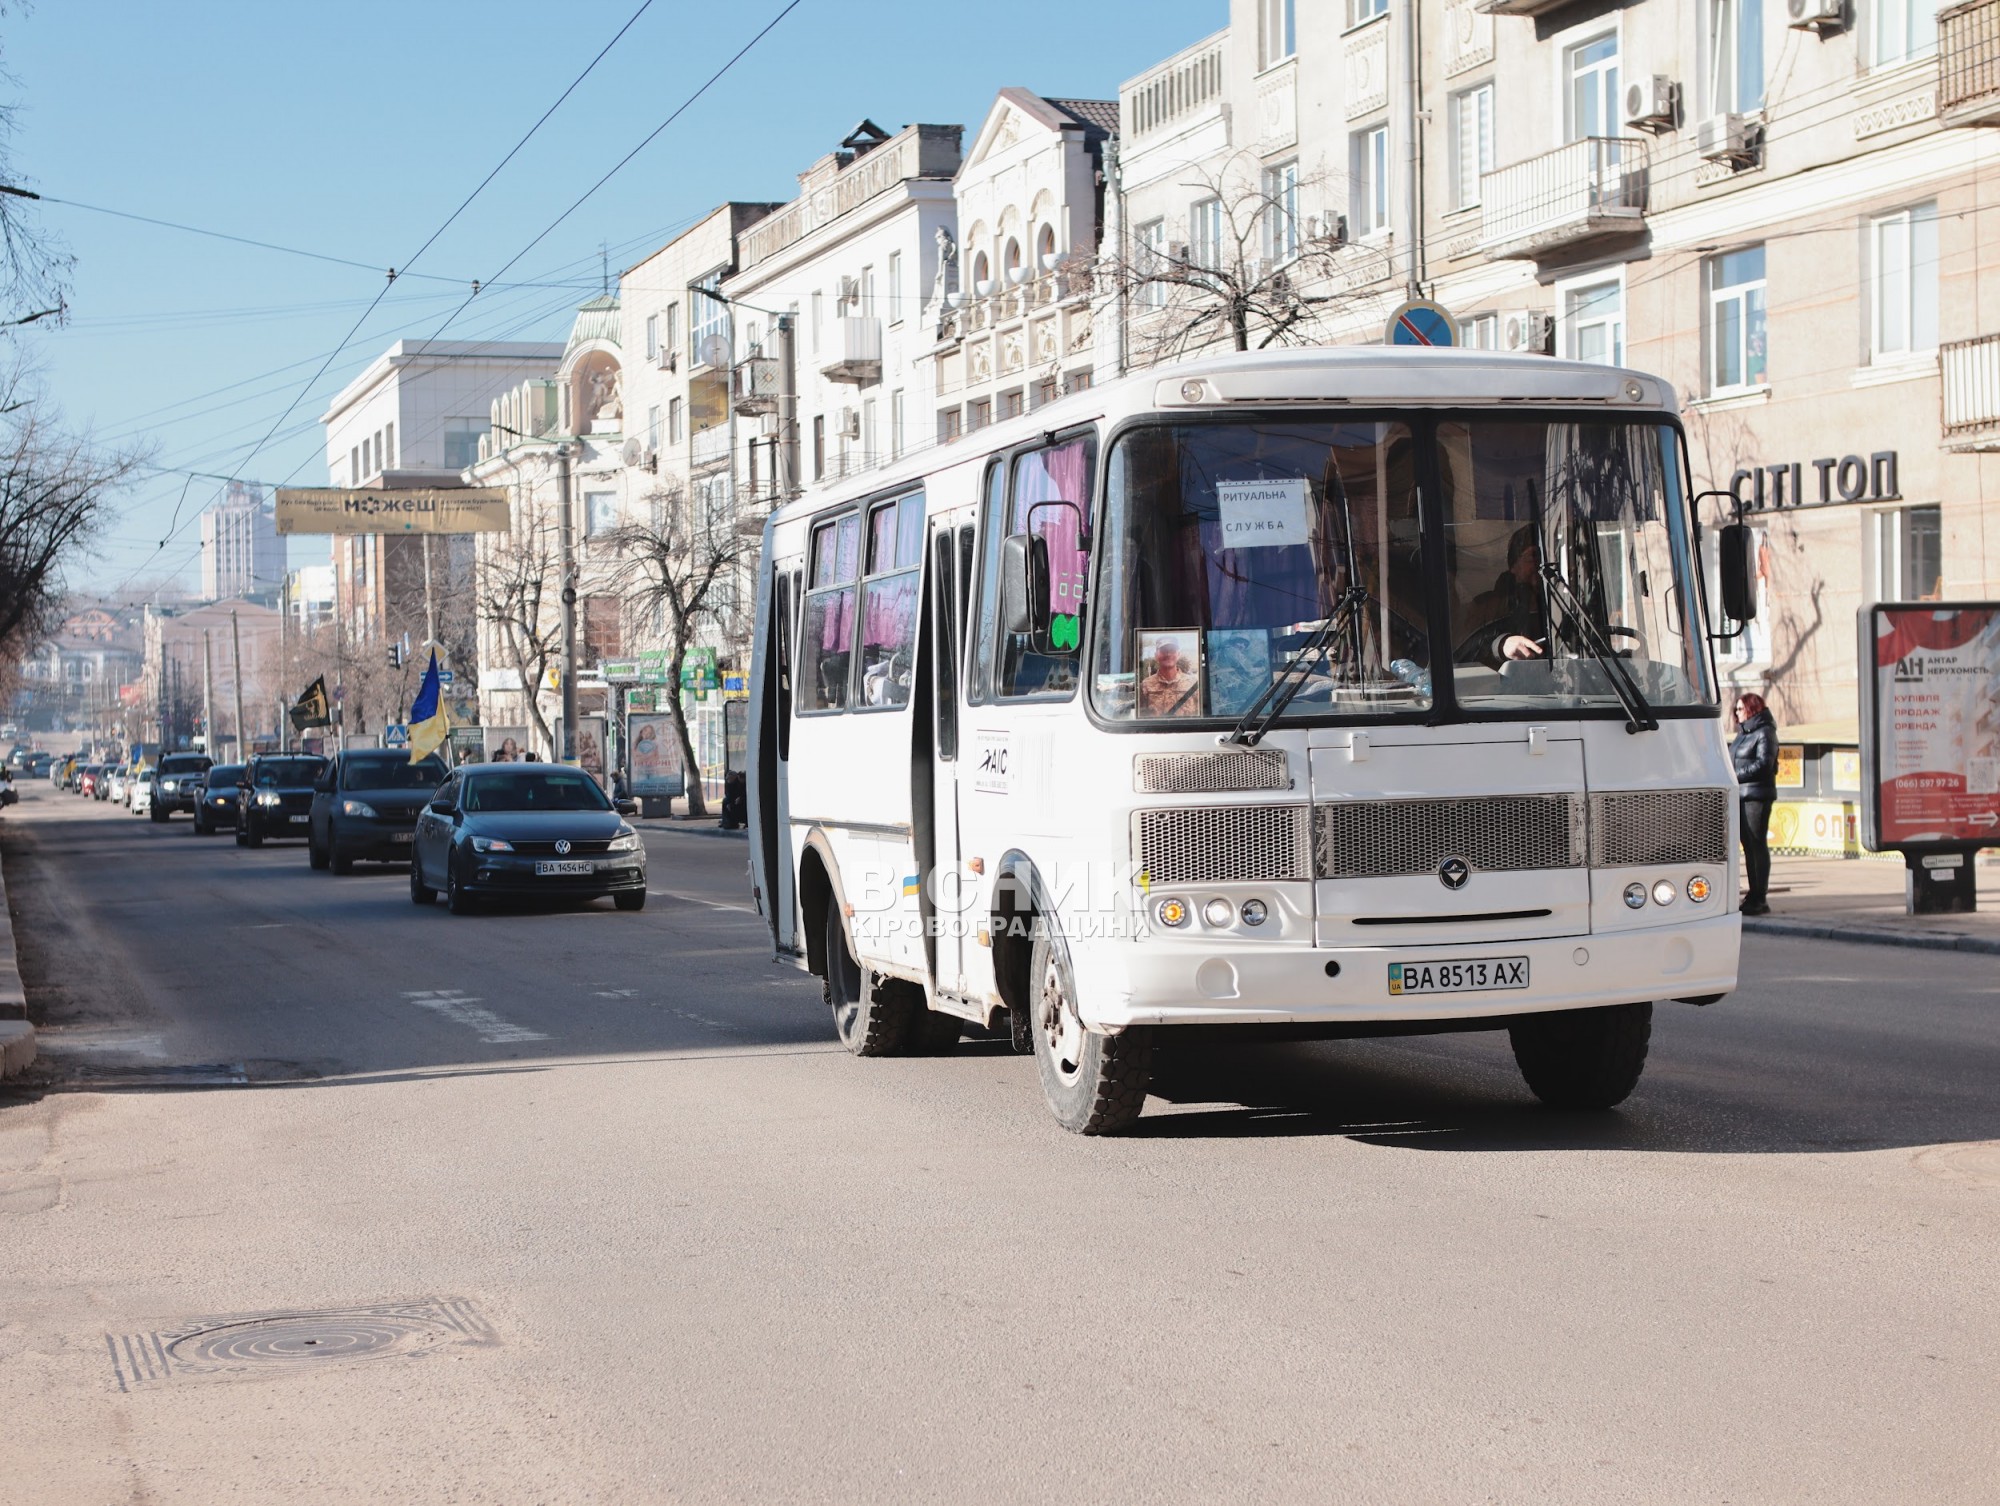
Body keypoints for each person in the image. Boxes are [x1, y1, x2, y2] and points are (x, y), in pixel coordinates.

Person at [1731, 691, 1778, 915]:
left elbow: (1763, 764)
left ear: (1751, 709)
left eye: (1740, 709)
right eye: (1736, 709)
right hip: (1741, 795)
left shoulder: (1765, 732)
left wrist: (1735, 775)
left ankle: (1760, 896)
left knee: (1756, 844)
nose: (1737, 713)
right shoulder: (1743, 733)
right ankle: (1753, 893)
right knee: (1748, 845)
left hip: (1756, 795)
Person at [1138, 637, 1202, 717]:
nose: (1168, 654)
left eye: (1172, 650)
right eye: (1163, 651)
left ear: (1178, 654)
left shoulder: (1193, 683)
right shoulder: (1146, 685)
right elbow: (1142, 717)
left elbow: (1200, 715)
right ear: (1156, 656)